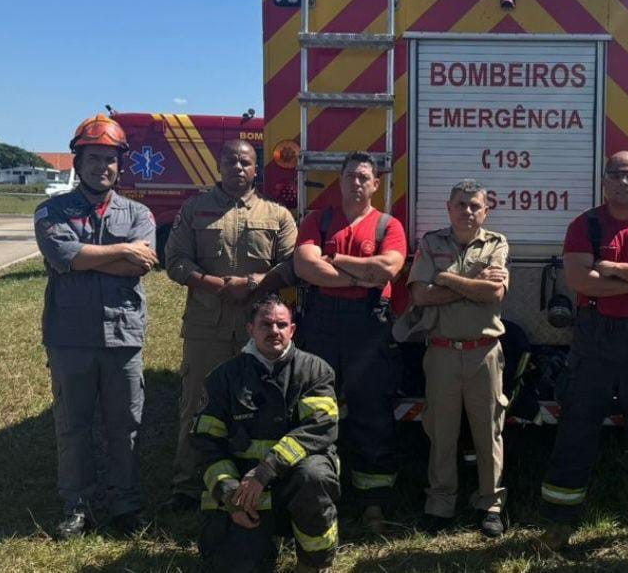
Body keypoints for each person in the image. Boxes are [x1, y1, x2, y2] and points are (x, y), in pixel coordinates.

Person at [535, 151, 628, 553]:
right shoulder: (585, 225)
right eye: (615, 175)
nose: (623, 182)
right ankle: (559, 525)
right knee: (576, 429)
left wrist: (613, 268)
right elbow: (582, 282)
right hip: (593, 338)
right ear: (604, 181)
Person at [33, 114, 157, 538]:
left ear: (120, 165)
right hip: (70, 339)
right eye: (94, 158)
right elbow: (62, 256)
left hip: (123, 336)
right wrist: (121, 251)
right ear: (77, 161)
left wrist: (87, 256)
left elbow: (138, 267)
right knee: (73, 425)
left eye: (110, 159)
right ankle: (76, 506)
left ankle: (124, 503)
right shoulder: (51, 210)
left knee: (125, 426)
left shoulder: (140, 213)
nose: (103, 167)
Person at [163, 139, 298, 511]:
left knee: (265, 406)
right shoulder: (195, 209)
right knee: (197, 402)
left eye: (245, 162)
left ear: (256, 170)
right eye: (230, 161)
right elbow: (174, 260)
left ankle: (260, 480)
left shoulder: (278, 215)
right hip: (208, 325)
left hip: (262, 328)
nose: (237, 167)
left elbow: (290, 267)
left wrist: (254, 284)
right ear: (219, 166)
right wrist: (215, 284)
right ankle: (188, 484)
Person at [292, 151, 407, 532]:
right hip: (322, 326)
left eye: (364, 177)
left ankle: (374, 502)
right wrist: (360, 278)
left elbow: (388, 269)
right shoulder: (317, 219)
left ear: (376, 184)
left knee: (371, 412)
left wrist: (334, 259)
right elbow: (305, 266)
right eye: (350, 177)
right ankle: (316, 494)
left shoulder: (389, 225)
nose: (356, 183)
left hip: (368, 329)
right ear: (339, 182)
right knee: (316, 409)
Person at [193, 295, 340, 573]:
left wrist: (267, 469)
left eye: (282, 324)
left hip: (295, 480)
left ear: (292, 330)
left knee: (315, 474)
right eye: (266, 324)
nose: (274, 331)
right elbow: (206, 443)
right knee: (234, 564)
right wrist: (228, 492)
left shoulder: (314, 371)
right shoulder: (223, 378)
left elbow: (320, 428)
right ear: (250, 329)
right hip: (246, 492)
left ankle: (314, 563)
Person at [402, 179, 510, 537]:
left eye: (475, 205)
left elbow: (494, 293)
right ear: (449, 208)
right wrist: (470, 284)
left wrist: (446, 278)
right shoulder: (431, 242)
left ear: (485, 211)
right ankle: (440, 504)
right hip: (443, 352)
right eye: (461, 204)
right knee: (441, 432)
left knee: (487, 433)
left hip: (484, 353)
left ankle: (490, 505)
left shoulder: (497, 243)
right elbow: (420, 295)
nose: (467, 211)